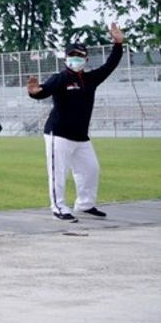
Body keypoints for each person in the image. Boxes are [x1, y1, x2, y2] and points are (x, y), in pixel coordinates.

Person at [27, 26, 125, 222]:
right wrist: (34, 92)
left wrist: (118, 44)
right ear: (65, 58)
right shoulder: (60, 78)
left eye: (80, 55)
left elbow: (110, 65)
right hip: (59, 134)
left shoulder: (90, 79)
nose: (76, 58)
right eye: (72, 55)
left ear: (86, 59)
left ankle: (85, 204)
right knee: (58, 173)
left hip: (81, 135)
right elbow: (42, 91)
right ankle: (58, 207)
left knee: (91, 169)